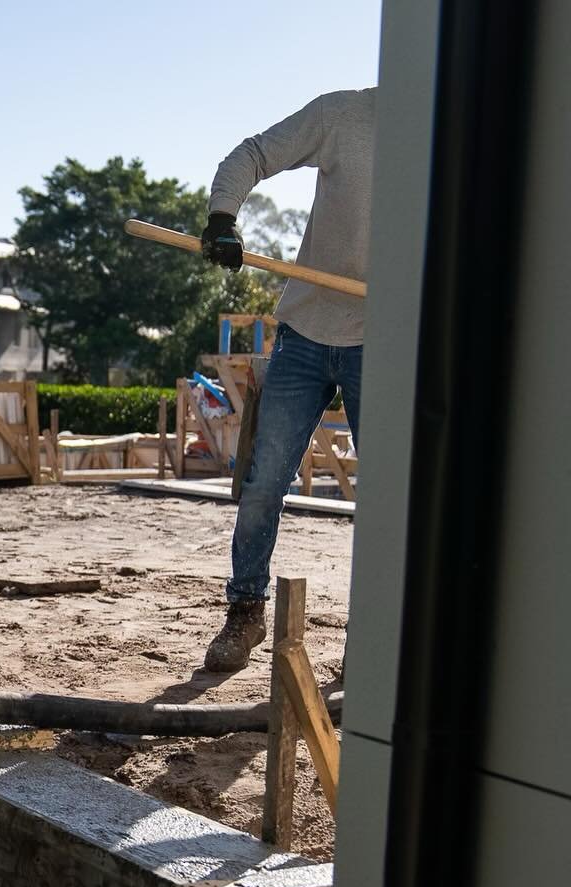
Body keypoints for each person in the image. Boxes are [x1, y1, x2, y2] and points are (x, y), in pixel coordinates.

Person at [199, 88, 375, 672]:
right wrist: (222, 215)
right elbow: (251, 154)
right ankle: (245, 610)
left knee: (388, 502)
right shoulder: (342, 115)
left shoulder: (448, 140)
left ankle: (371, 639)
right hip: (305, 328)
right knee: (263, 482)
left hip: (383, 341)